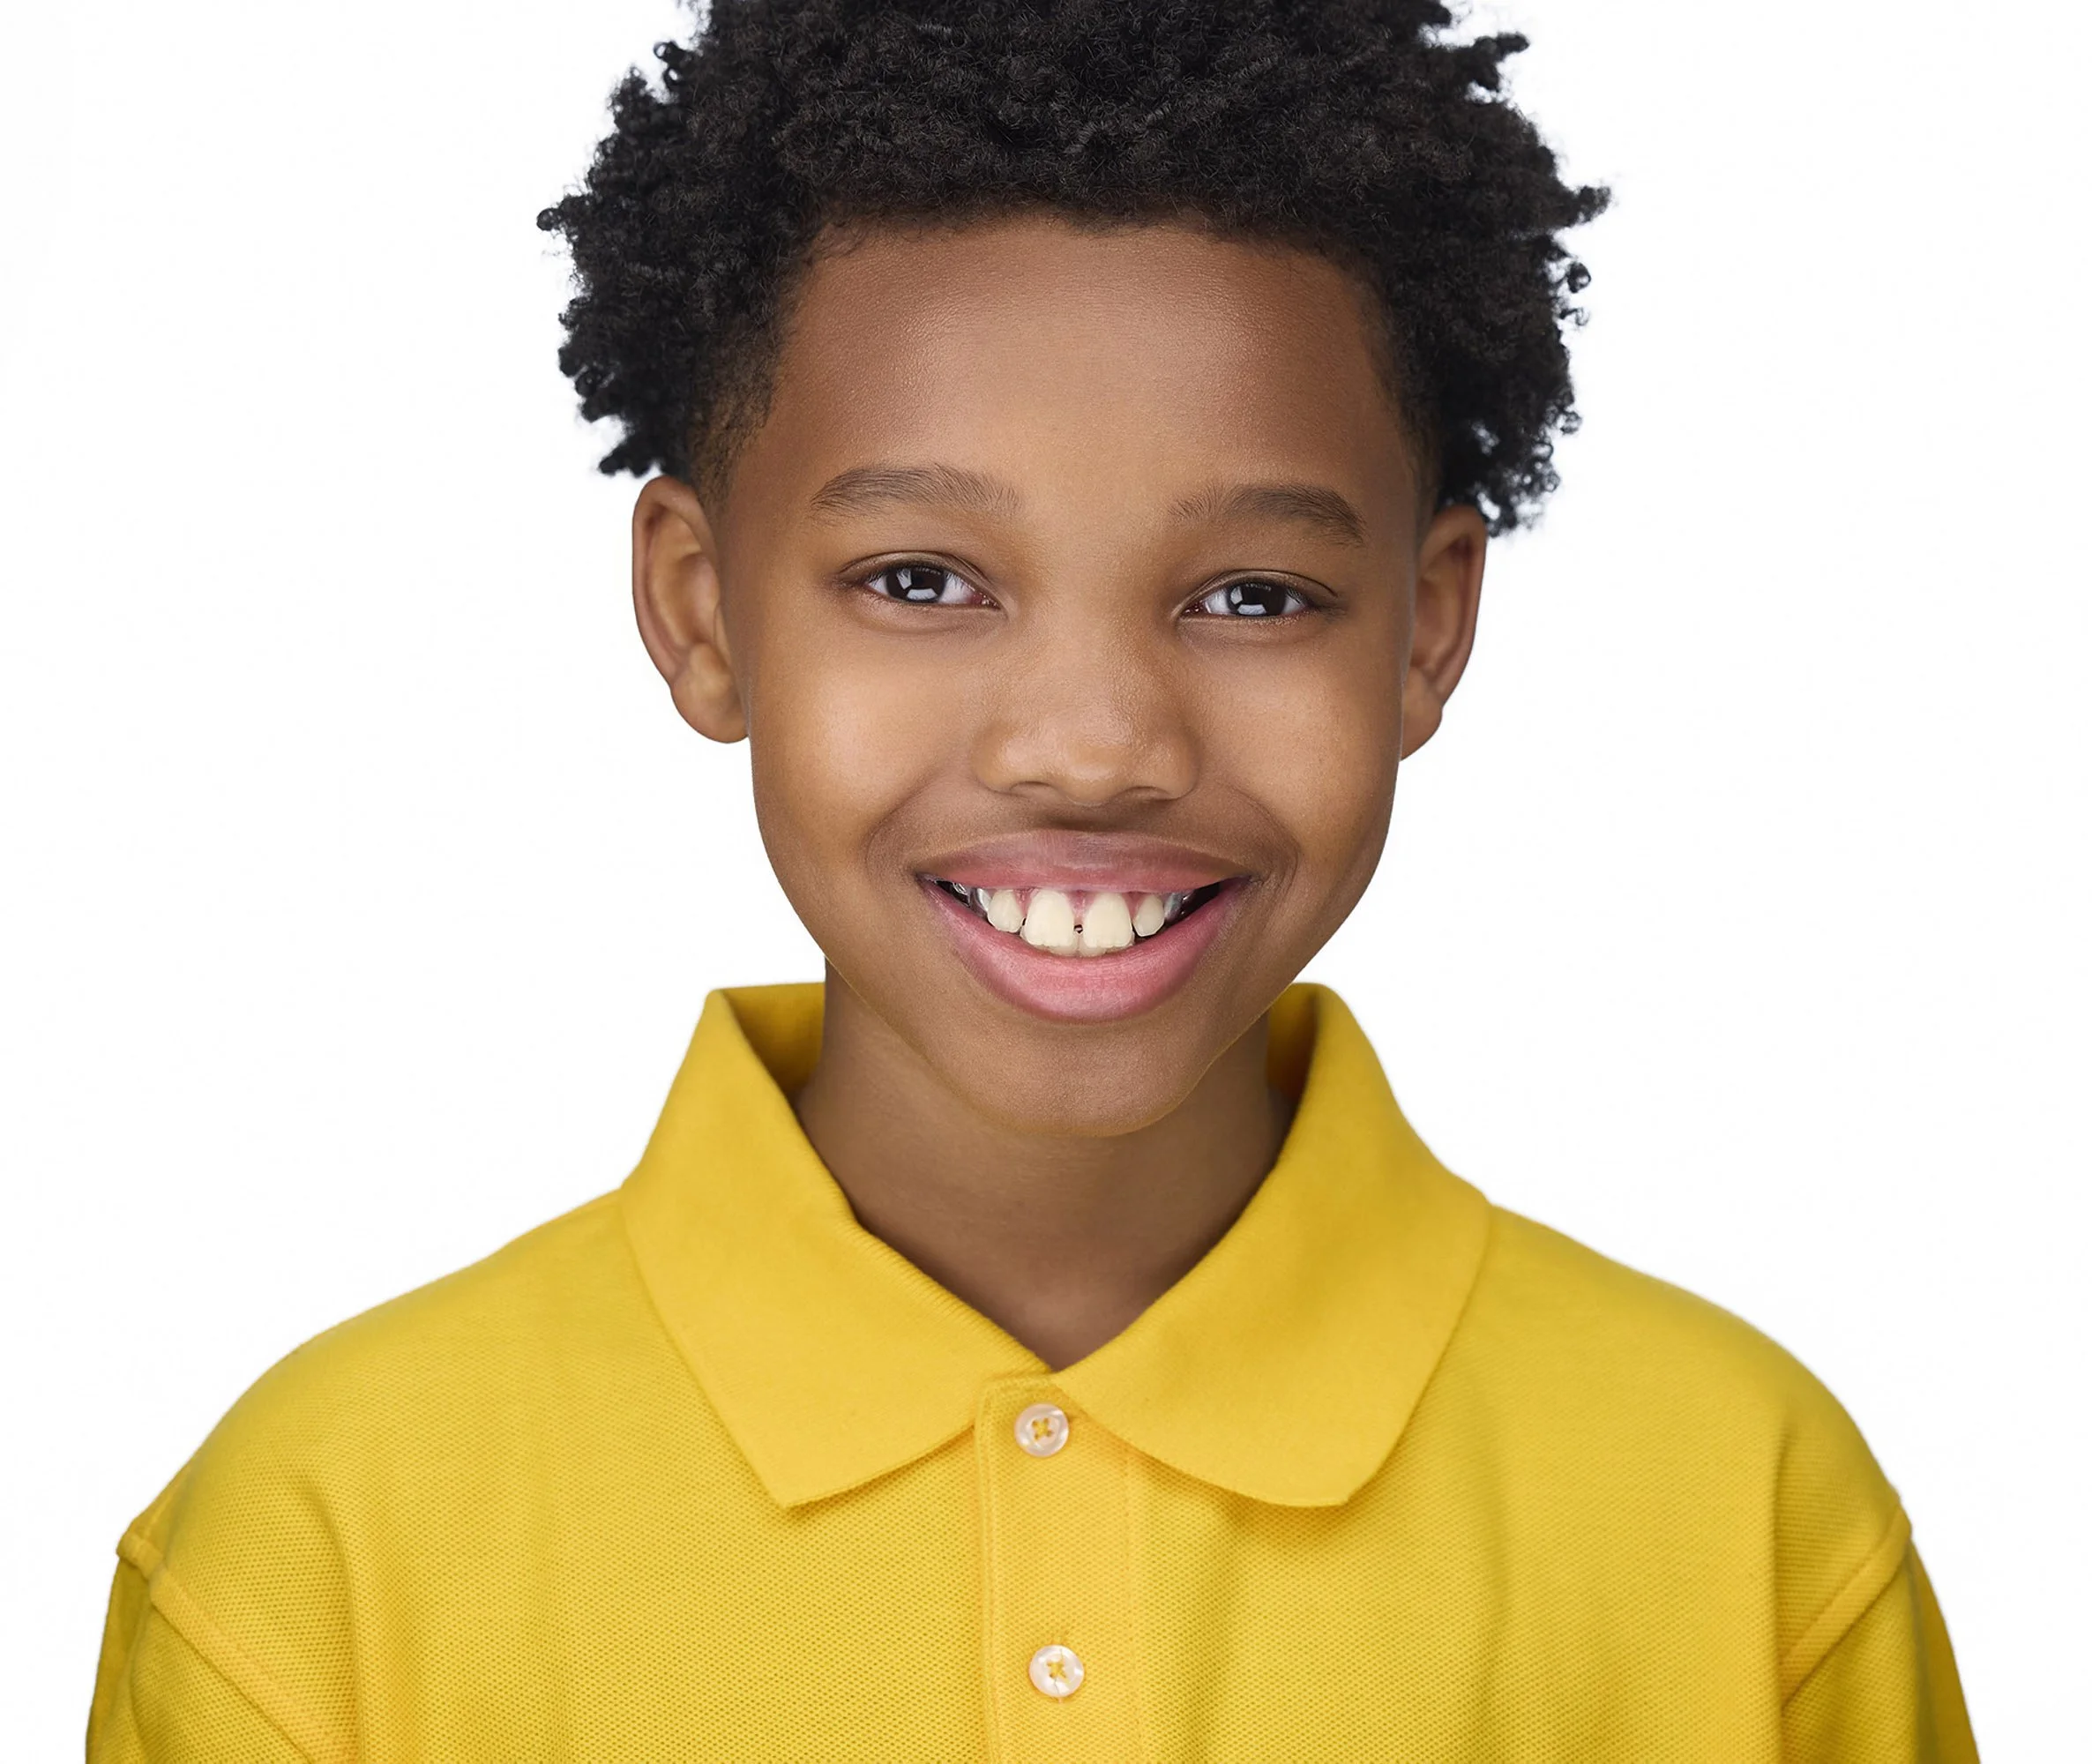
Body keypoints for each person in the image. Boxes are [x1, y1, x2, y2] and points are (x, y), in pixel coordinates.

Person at [85, 2, 1976, 1758]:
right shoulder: (322, 1548)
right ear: (696, 607)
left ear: (1426, 631)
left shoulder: (1742, 1519)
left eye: (1254, 595)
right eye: (920, 581)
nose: (1090, 743)